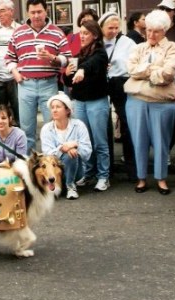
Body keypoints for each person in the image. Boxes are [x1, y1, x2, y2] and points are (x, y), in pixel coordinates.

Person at [124, 9, 175, 195]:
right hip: (136, 101)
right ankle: (141, 178)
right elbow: (131, 69)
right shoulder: (138, 48)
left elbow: (168, 74)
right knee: (138, 140)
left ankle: (161, 178)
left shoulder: (173, 48)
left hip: (162, 103)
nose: (151, 34)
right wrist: (153, 69)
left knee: (161, 141)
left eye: (156, 31)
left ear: (164, 30)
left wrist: (145, 71)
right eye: (148, 30)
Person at [5, 0, 72, 153]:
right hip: (25, 85)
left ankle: (54, 165)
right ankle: (31, 167)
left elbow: (67, 58)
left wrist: (52, 57)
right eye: (33, 12)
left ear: (46, 11)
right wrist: (16, 74)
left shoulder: (56, 32)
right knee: (27, 129)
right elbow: (9, 58)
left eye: (39, 12)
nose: (36, 16)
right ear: (28, 12)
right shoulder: (18, 32)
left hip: (49, 84)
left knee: (53, 127)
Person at [63, 20, 110, 192]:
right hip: (80, 102)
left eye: (86, 33)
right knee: (85, 141)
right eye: (80, 32)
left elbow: (92, 65)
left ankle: (104, 176)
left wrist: (82, 69)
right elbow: (70, 81)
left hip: (97, 102)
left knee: (100, 141)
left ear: (95, 36)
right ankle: (89, 173)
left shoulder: (100, 53)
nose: (81, 36)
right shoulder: (80, 54)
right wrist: (68, 75)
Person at [100, 12, 138, 182]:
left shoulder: (127, 42)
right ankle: (107, 169)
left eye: (117, 28)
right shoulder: (96, 42)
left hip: (120, 83)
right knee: (103, 125)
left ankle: (132, 168)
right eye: (110, 28)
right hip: (101, 82)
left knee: (127, 124)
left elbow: (133, 63)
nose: (114, 31)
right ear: (101, 28)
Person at [40, 92, 92, 200]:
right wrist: (62, 148)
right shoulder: (46, 129)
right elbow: (47, 154)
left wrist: (75, 146)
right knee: (68, 153)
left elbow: (87, 152)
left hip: (77, 169)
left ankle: (70, 186)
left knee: (71, 154)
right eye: (52, 107)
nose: (54, 110)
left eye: (58, 107)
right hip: (53, 171)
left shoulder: (79, 125)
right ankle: (55, 186)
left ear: (67, 110)